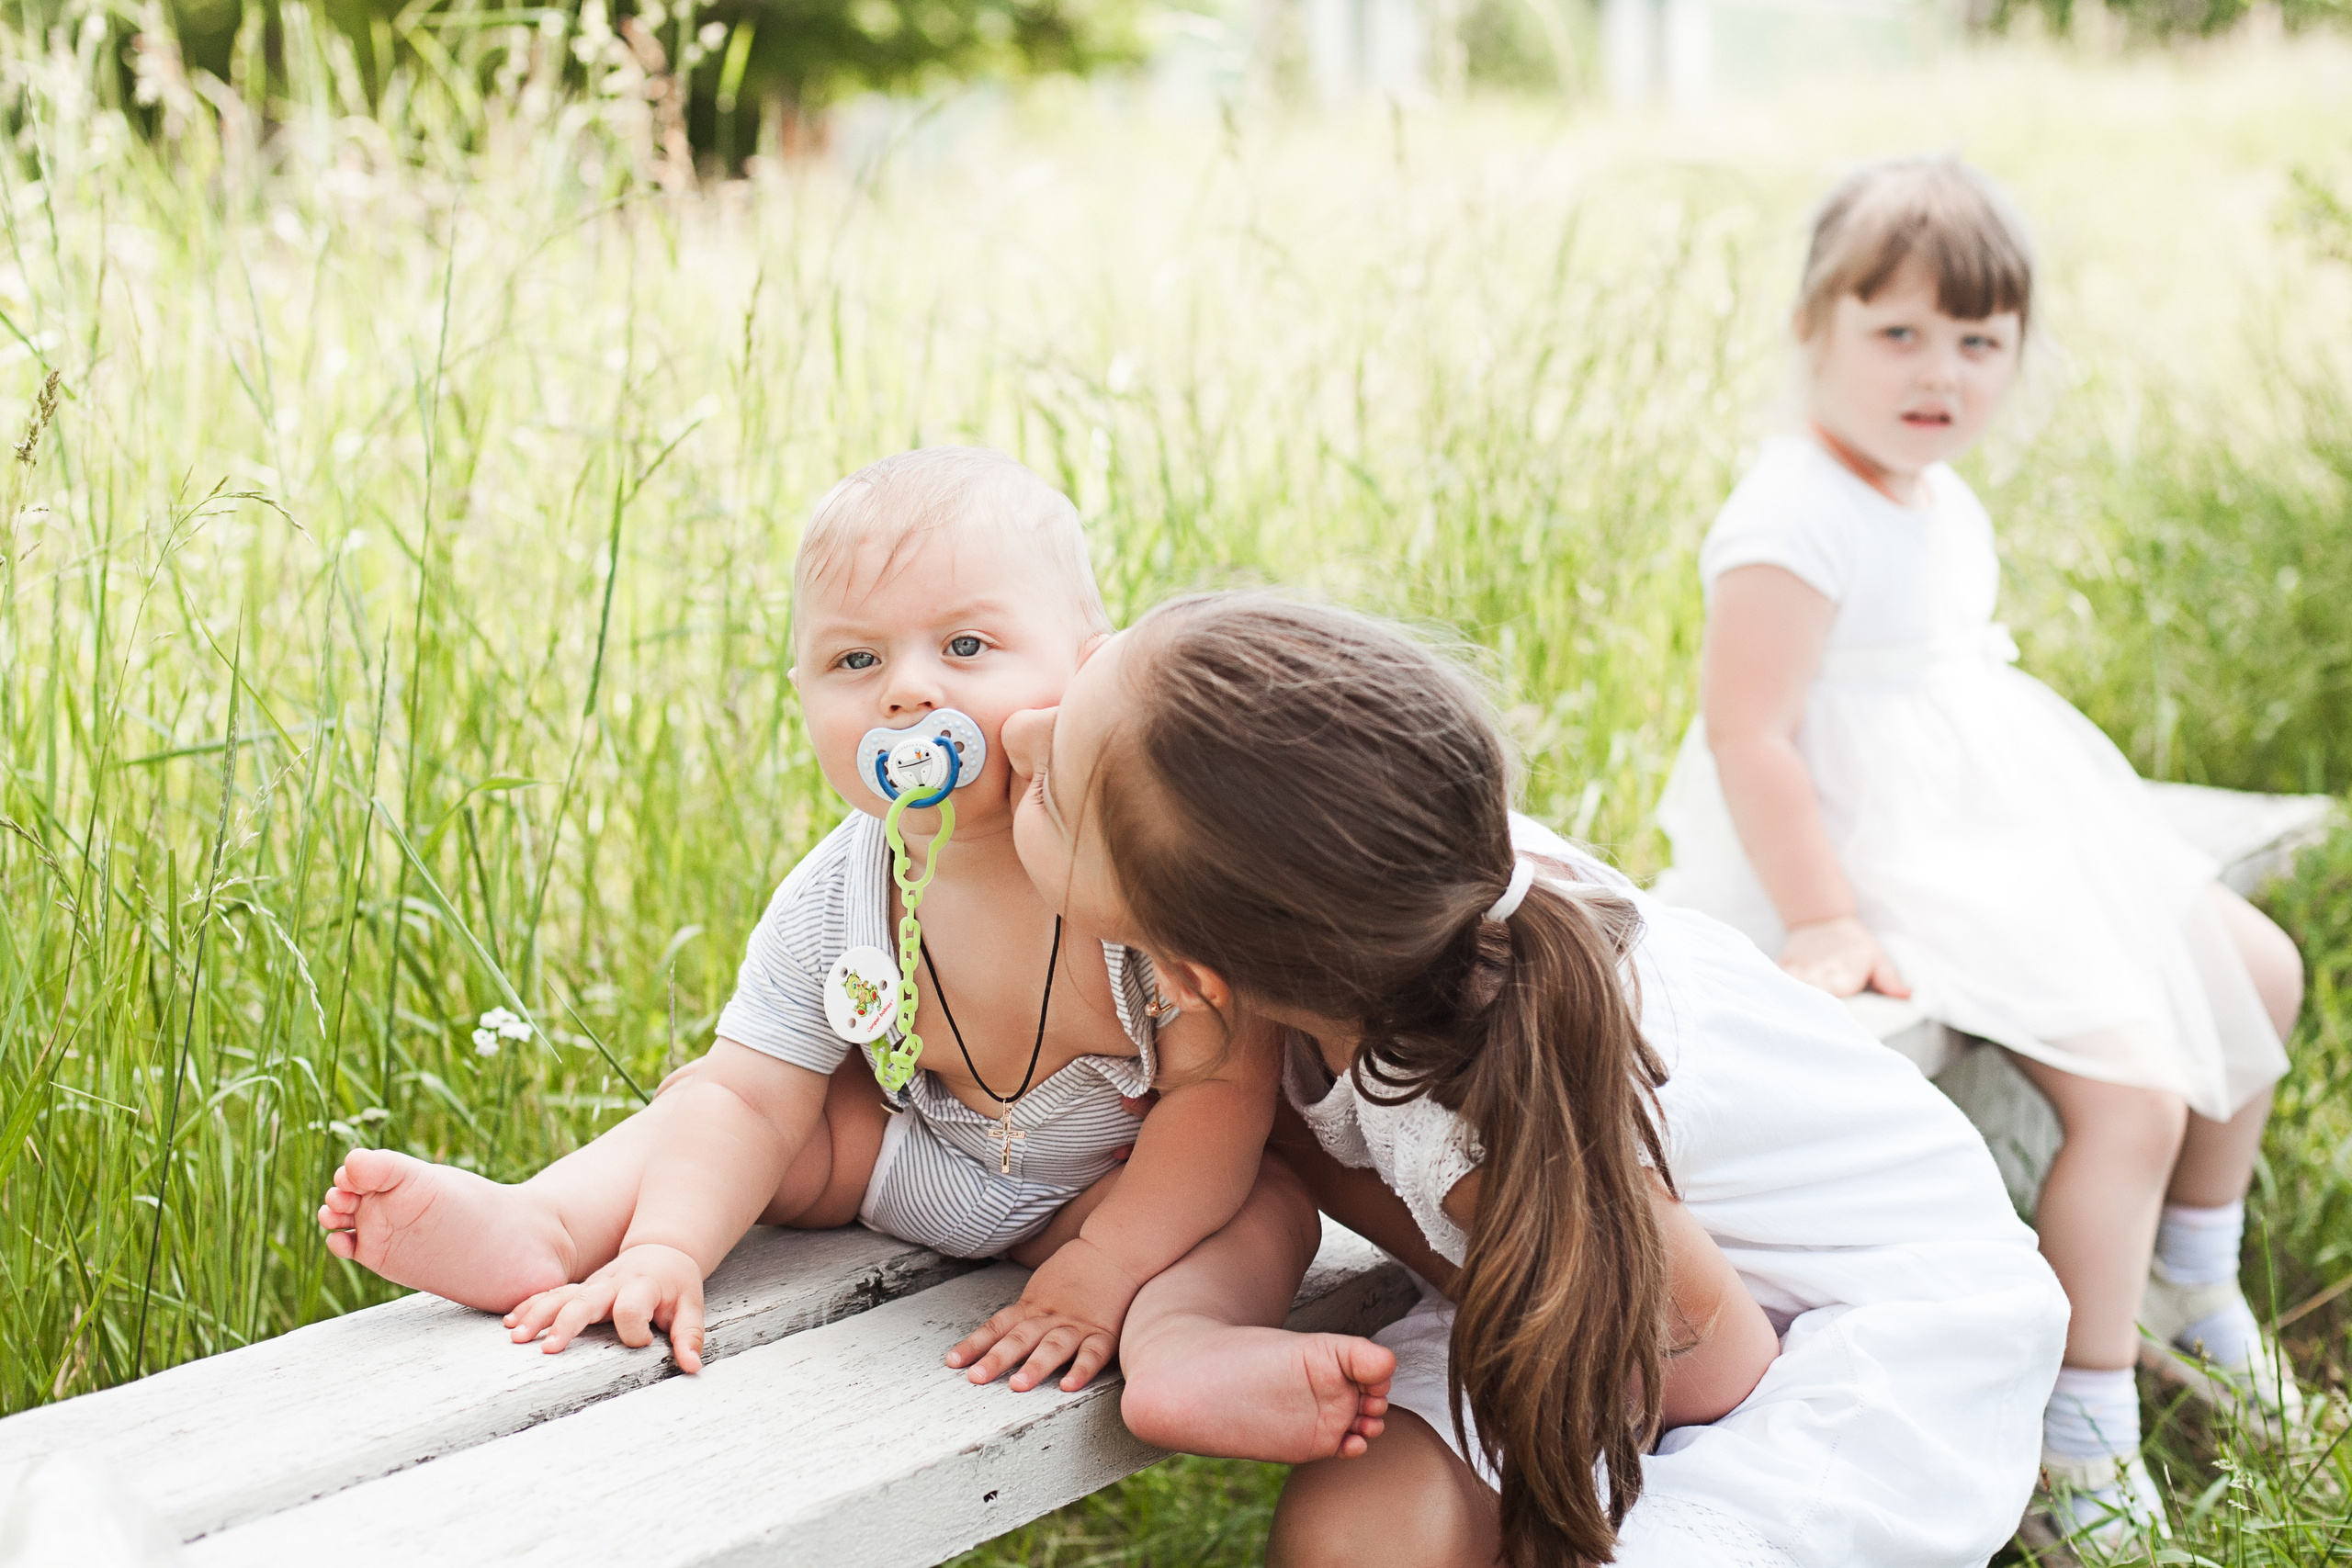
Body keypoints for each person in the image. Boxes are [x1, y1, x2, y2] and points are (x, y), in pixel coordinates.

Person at [1001, 592, 2070, 1567]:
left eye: (1049, 792)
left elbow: (1708, 1368)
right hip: (1581, 1283)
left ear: (1201, 973)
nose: (1018, 731)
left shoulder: (1467, 1103)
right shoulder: (1381, 896)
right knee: (1355, 1541)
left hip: (1843, 1334)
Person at [314, 446, 1303, 1404]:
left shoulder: (1137, 888)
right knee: (728, 1102)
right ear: (803, 699)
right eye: (855, 658)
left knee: (1264, 1207)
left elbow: (1217, 1095)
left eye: (965, 646)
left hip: (1104, 1193)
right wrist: (671, 1246)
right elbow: (751, 1100)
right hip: (906, 1161)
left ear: (1088, 669)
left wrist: (1103, 1261)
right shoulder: (838, 896)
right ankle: (553, 1224)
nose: (907, 691)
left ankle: (1183, 1342)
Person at [1651, 156, 2305, 1542]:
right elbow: (1751, 734)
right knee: (2132, 1089)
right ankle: (2078, 1426)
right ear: (1812, 331)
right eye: (1896, 332)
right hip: (1867, 853)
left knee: (2259, 969)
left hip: (1993, 819)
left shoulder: (1930, 491)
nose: (1937, 369)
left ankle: (2194, 1277)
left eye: (1977, 339)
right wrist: (1822, 915)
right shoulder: (1792, 511)